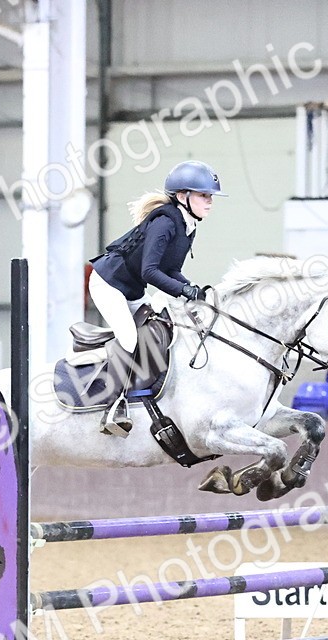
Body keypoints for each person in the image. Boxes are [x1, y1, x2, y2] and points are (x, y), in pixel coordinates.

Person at [87, 160, 226, 435]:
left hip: (132, 288)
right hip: (108, 284)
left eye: (210, 196)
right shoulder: (164, 222)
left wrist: (193, 289)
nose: (210, 201)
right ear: (183, 196)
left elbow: (171, 269)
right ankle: (112, 407)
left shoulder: (188, 226)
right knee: (129, 338)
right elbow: (150, 271)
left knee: (160, 328)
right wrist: (182, 291)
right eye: (204, 195)